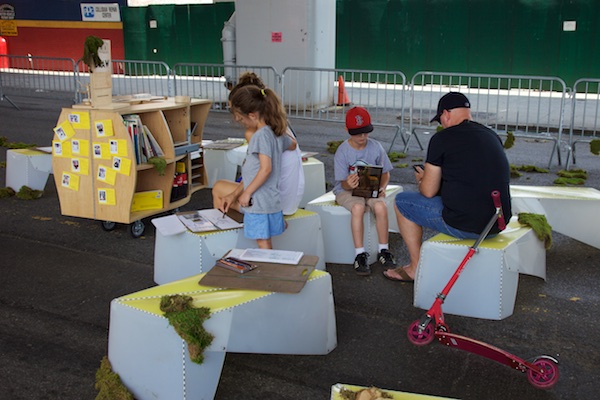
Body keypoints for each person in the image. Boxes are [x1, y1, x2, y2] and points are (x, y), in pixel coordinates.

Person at [384, 92, 512, 282]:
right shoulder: (491, 136)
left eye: (440, 120)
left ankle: (415, 268)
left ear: (446, 114)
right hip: (499, 221)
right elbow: (474, 178)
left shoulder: (442, 139)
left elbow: (428, 191)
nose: (441, 124)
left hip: (467, 224)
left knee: (402, 202)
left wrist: (423, 179)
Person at [212, 72, 305, 216]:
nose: (236, 119)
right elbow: (292, 145)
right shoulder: (278, 125)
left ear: (251, 114)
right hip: (291, 199)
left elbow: (260, 171)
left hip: (275, 203)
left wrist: (237, 195)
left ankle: (227, 232)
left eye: (237, 113)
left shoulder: (256, 134)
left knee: (218, 188)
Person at [225, 84, 294, 249]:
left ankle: (269, 270)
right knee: (265, 239)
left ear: (252, 115)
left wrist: (246, 193)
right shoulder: (274, 132)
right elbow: (292, 144)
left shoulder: (260, 136)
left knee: (263, 241)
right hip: (270, 199)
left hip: (258, 201)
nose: (241, 123)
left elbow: (266, 169)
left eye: (241, 119)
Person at [333, 106, 396, 276]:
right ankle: (359, 253)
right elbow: (342, 184)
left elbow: (385, 173)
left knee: (381, 207)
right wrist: (348, 183)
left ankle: (384, 249)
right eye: (358, 133)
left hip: (371, 188)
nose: (362, 137)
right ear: (347, 131)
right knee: (358, 208)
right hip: (347, 191)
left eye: (366, 132)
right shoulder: (342, 151)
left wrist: (382, 187)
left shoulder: (376, 147)